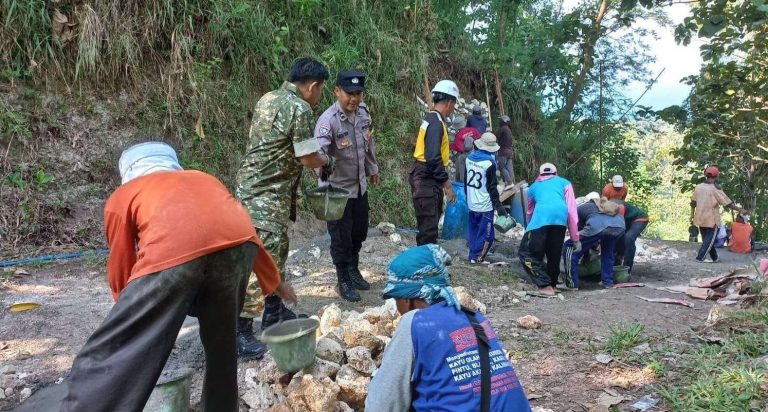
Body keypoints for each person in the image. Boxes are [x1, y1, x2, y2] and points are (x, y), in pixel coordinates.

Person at [59, 142, 295, 412]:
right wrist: (274, 282)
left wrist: (133, 320)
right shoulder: (204, 179)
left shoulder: (124, 194)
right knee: (222, 346)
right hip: (239, 249)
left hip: (177, 251)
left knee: (109, 353)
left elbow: (121, 263)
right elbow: (240, 230)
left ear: (129, 172)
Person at [235, 57, 330, 357]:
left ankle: (274, 313)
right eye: (321, 91)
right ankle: (240, 332)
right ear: (312, 86)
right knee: (259, 259)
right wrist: (327, 160)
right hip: (266, 192)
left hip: (254, 187)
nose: (318, 98)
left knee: (277, 252)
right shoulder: (299, 108)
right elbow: (307, 156)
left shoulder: (269, 98)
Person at [366, 244, 532, 412]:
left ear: (407, 299)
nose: (398, 308)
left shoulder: (415, 322)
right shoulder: (475, 318)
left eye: (396, 299)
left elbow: (380, 406)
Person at [314, 69, 380, 302]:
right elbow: (317, 154)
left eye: (358, 93)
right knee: (340, 237)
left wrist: (373, 169)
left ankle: (353, 269)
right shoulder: (328, 121)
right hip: (337, 191)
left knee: (359, 231)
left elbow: (368, 144)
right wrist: (323, 177)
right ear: (337, 91)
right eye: (349, 93)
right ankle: (343, 277)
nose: (354, 98)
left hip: (359, 186)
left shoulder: (363, 113)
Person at [518, 163, 580, 296]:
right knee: (554, 254)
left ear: (540, 174)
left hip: (540, 221)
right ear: (556, 172)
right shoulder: (565, 183)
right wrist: (575, 238)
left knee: (526, 252)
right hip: (560, 221)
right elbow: (572, 211)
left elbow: (530, 211)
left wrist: (530, 229)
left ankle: (545, 285)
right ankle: (552, 284)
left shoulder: (533, 187)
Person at [410, 80, 460, 245]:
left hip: (425, 176)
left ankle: (426, 262)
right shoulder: (436, 123)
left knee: (429, 224)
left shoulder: (431, 118)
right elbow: (432, 158)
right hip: (426, 178)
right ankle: (423, 265)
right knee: (429, 229)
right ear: (449, 102)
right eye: (454, 104)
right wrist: (447, 185)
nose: (453, 108)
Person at [464, 133, 510, 263]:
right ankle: (479, 258)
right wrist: (499, 206)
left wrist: (468, 198)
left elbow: (466, 182)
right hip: (484, 205)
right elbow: (492, 187)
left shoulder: (469, 159)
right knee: (487, 234)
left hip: (472, 202)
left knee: (473, 230)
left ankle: (472, 255)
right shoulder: (490, 163)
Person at [563, 198, 626, 289]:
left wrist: (586, 254)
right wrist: (587, 253)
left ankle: (571, 284)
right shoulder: (606, 205)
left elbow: (578, 235)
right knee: (608, 252)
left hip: (598, 227)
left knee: (569, 246)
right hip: (619, 227)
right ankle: (607, 282)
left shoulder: (580, 209)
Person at [691, 166, 748, 262]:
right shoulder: (715, 188)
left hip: (700, 217)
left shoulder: (698, 187)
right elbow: (727, 203)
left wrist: (692, 215)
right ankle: (700, 257)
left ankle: (715, 258)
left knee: (708, 240)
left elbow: (693, 203)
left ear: (705, 174)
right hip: (712, 219)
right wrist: (740, 209)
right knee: (709, 240)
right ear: (717, 176)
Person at [614, 201, 649, 273]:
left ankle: (626, 269)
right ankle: (616, 264)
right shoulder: (600, 210)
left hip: (639, 219)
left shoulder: (619, 207)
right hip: (627, 220)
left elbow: (620, 225)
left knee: (628, 238)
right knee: (618, 238)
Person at [497, 115, 515, 188]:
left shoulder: (503, 129)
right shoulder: (508, 129)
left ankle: (509, 183)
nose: (499, 121)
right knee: (509, 168)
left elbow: (496, 137)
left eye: (500, 120)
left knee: (502, 167)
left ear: (503, 121)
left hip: (503, 152)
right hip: (509, 152)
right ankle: (512, 183)